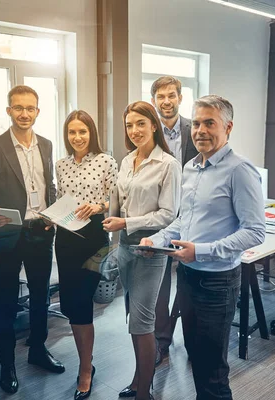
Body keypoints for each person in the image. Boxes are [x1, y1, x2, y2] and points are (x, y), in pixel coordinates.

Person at [140, 95, 265, 400]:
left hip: (217, 283)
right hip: (187, 277)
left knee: (212, 371)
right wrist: (155, 240)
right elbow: (184, 222)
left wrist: (202, 250)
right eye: (196, 123)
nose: (200, 130)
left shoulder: (239, 170)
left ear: (228, 127)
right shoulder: (191, 168)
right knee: (196, 356)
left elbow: (255, 232)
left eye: (210, 123)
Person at [0, 85, 64, 395]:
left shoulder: (48, 145)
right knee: (6, 303)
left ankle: (38, 350)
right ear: (9, 110)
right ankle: (6, 365)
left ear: (38, 111)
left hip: (40, 230)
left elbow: (48, 184)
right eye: (18, 107)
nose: (24, 113)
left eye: (30, 108)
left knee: (42, 296)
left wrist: (53, 213)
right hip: (8, 232)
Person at [103, 101, 182, 400]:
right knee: (132, 320)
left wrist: (127, 220)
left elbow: (168, 214)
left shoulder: (168, 165)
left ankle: (144, 393)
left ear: (153, 125)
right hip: (125, 246)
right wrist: (111, 216)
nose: (134, 130)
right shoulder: (126, 161)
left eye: (140, 123)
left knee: (143, 322)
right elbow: (121, 200)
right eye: (129, 125)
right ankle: (138, 379)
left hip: (151, 249)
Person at [54, 110, 117, 400]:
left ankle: (85, 370)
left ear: (91, 132)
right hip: (65, 237)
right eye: (71, 132)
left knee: (81, 304)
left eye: (82, 131)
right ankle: (86, 362)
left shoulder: (106, 161)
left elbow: (117, 202)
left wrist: (98, 206)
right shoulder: (61, 165)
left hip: (94, 239)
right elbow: (60, 200)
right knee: (70, 305)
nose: (77, 137)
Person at [150, 76, 198, 365]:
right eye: (161, 97)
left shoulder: (197, 129)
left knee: (190, 285)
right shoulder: (149, 130)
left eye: (171, 96)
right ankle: (161, 341)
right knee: (159, 288)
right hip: (159, 219)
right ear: (155, 100)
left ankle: (191, 339)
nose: (166, 102)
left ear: (180, 98)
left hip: (193, 217)